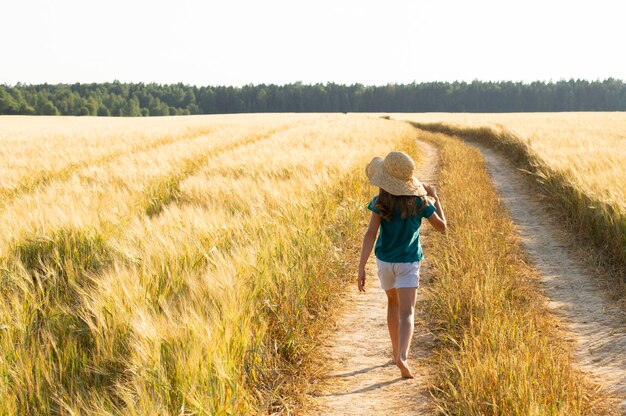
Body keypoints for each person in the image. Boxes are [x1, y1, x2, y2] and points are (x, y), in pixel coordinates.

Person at [357, 151, 446, 379]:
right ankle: (403, 357)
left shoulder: (380, 202)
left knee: (392, 304)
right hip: (408, 261)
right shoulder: (420, 202)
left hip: (385, 261)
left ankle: (395, 351)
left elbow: (370, 234)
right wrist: (436, 198)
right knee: (408, 312)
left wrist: (361, 267)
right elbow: (442, 227)